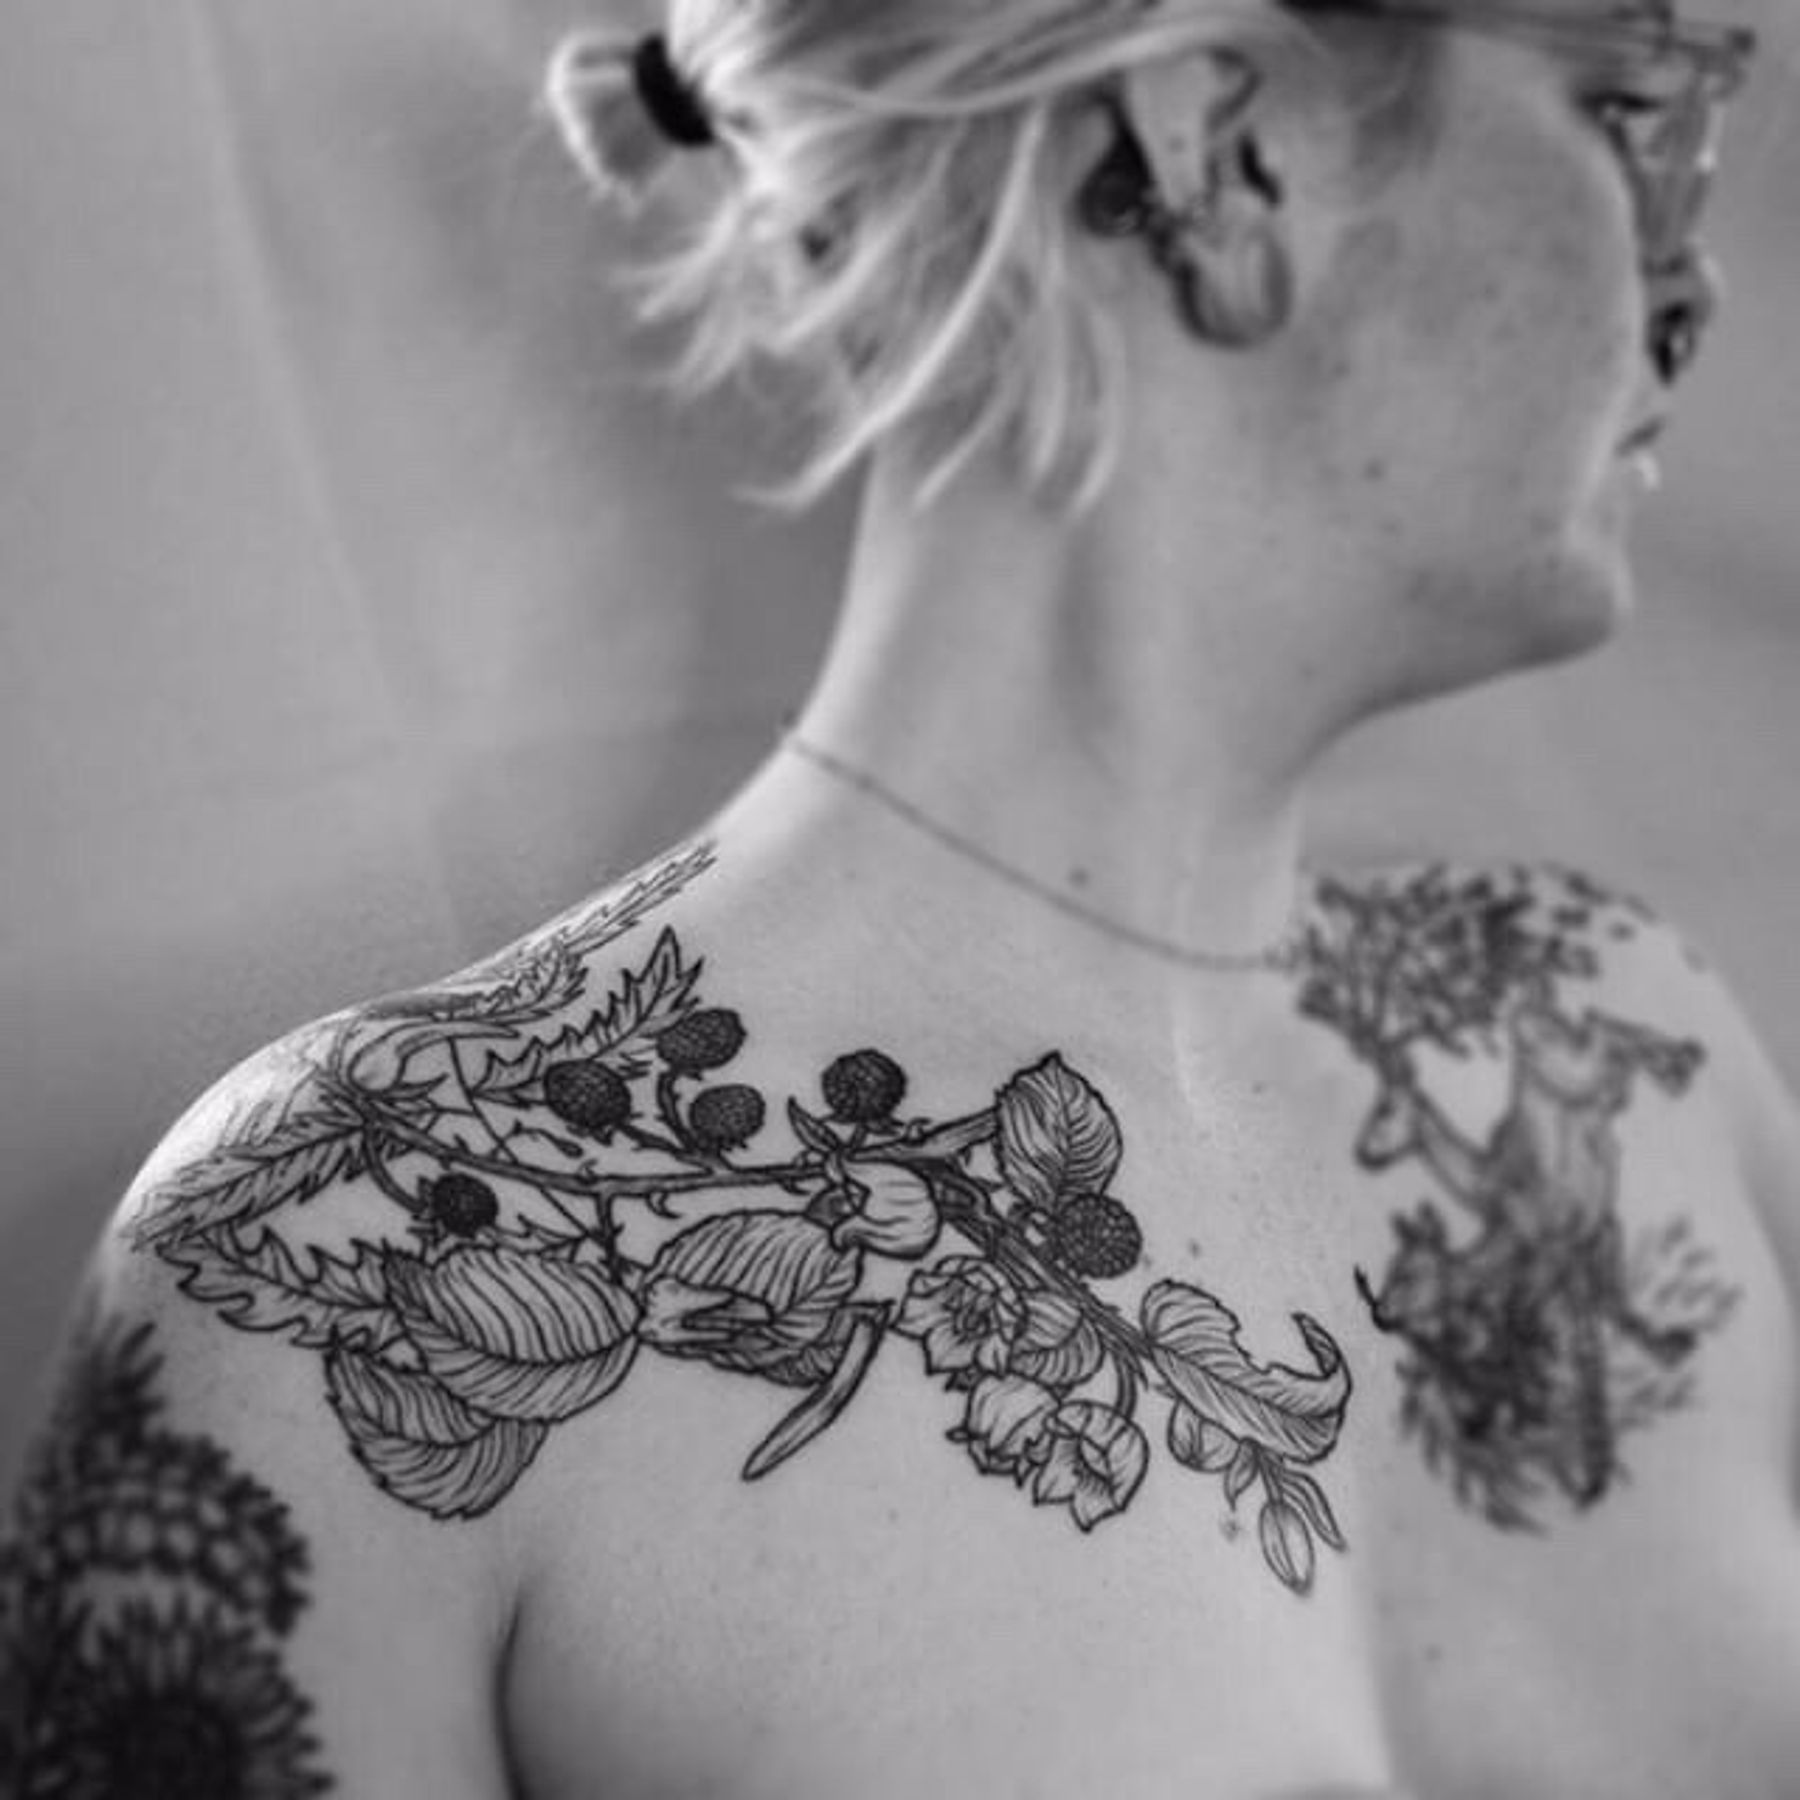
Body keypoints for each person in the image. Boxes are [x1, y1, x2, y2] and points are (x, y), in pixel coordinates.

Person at [2, 0, 1794, 1794]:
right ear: (1217, 145)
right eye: (1626, 107)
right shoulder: (343, 1263)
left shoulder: (1629, 1057)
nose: (1689, 284)